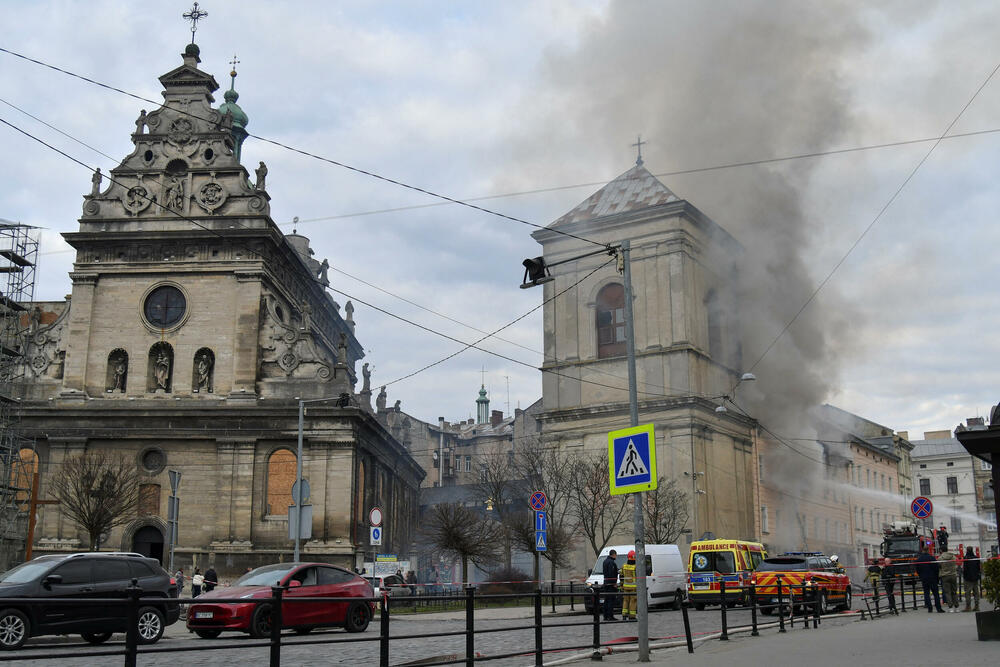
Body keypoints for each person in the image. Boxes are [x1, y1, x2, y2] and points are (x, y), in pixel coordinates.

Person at [915, 545, 944, 613]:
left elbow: (917, 570)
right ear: (928, 550)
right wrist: (937, 578)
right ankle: (938, 608)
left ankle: (929, 608)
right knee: (936, 594)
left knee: (926, 593)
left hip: (924, 578)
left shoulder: (919, 559)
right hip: (932, 578)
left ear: (922, 550)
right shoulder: (932, 558)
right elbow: (936, 569)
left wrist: (921, 576)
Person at [602, 549, 620, 621]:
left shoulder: (605, 561)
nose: (616, 556)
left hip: (606, 583)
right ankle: (610, 616)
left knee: (606, 600)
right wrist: (614, 583)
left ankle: (605, 616)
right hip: (610, 584)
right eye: (616, 555)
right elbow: (611, 573)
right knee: (611, 601)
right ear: (613, 554)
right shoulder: (611, 562)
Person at [620, 550, 637, 621]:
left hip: (625, 587)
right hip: (634, 588)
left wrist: (621, 586)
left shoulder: (624, 566)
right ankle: (632, 616)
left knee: (625, 601)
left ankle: (624, 615)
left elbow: (621, 576)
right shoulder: (636, 567)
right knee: (633, 601)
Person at [963, 546, 981, 612]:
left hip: (968, 578)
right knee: (976, 592)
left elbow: (965, 569)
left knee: (967, 592)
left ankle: (968, 606)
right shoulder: (976, 558)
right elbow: (979, 568)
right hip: (975, 577)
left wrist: (965, 576)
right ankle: (977, 606)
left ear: (967, 550)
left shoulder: (966, 558)